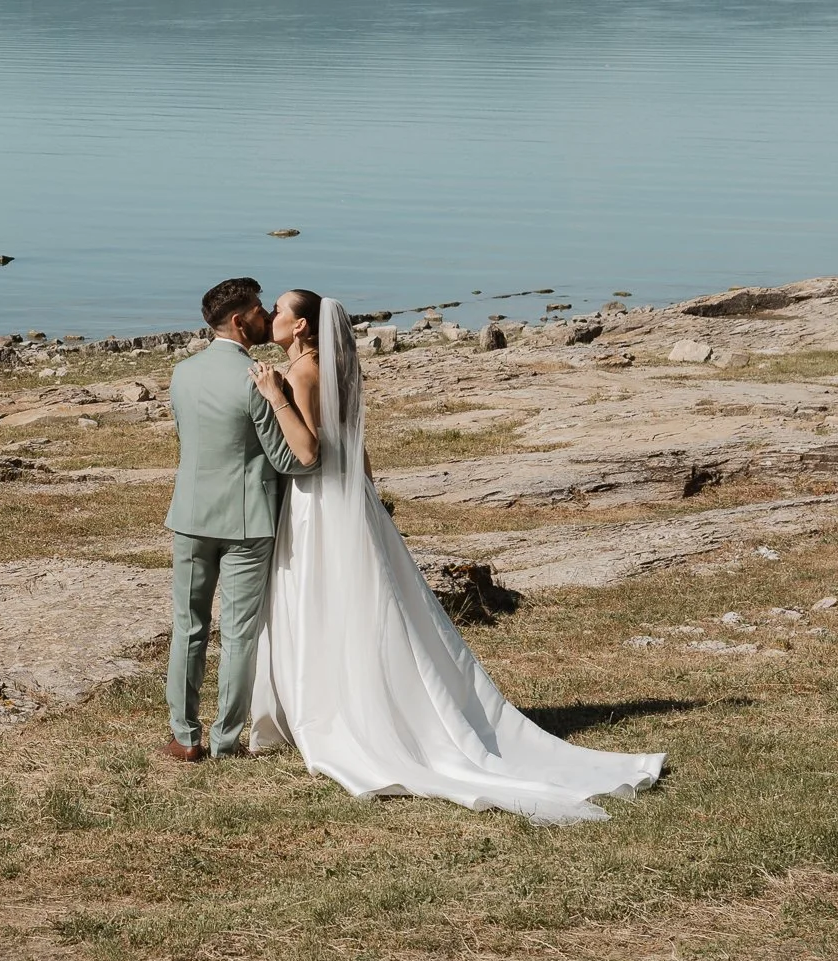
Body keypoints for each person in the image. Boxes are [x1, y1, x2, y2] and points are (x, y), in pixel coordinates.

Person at [247, 290, 665, 822]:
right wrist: (370, 505)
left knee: (324, 599)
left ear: (302, 326)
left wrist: (272, 394)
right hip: (352, 500)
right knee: (374, 603)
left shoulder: (301, 376)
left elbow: (308, 453)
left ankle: (338, 714)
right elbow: (357, 448)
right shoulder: (335, 371)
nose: (273, 319)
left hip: (321, 502)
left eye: (281, 311)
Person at [159, 277, 320, 762]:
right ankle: (226, 741)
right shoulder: (258, 377)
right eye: (257, 310)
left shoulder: (181, 374)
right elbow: (289, 459)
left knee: (187, 626)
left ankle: (185, 738)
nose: (265, 317)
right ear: (238, 319)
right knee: (238, 634)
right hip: (247, 523)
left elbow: (185, 435)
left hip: (189, 515)